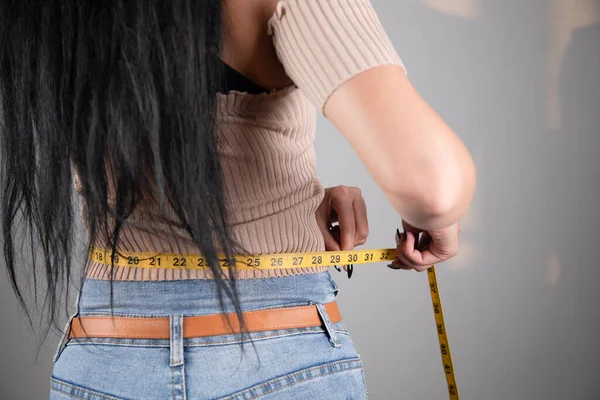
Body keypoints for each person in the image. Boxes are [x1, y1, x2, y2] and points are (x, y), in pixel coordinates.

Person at [0, 0, 476, 398]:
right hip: (278, 354)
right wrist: (436, 222)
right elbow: (431, 185)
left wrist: (291, 195)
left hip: (103, 357)